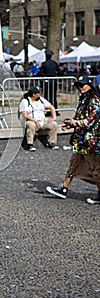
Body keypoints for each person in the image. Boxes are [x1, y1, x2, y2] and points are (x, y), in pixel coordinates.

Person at [46, 75, 100, 204]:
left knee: (95, 169)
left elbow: (90, 121)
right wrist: (69, 124)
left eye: (82, 85)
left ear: (89, 86)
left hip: (91, 141)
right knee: (74, 164)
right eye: (78, 86)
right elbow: (79, 118)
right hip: (81, 140)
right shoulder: (83, 100)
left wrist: (74, 123)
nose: (80, 88)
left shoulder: (95, 101)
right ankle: (64, 189)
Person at [18, 85, 59, 151]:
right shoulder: (25, 101)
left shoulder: (41, 100)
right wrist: (35, 121)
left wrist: (54, 117)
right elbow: (25, 114)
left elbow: (51, 107)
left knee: (53, 124)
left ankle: (52, 142)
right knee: (31, 125)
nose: (40, 94)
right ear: (34, 94)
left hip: (42, 121)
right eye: (39, 93)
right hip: (30, 120)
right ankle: (29, 144)